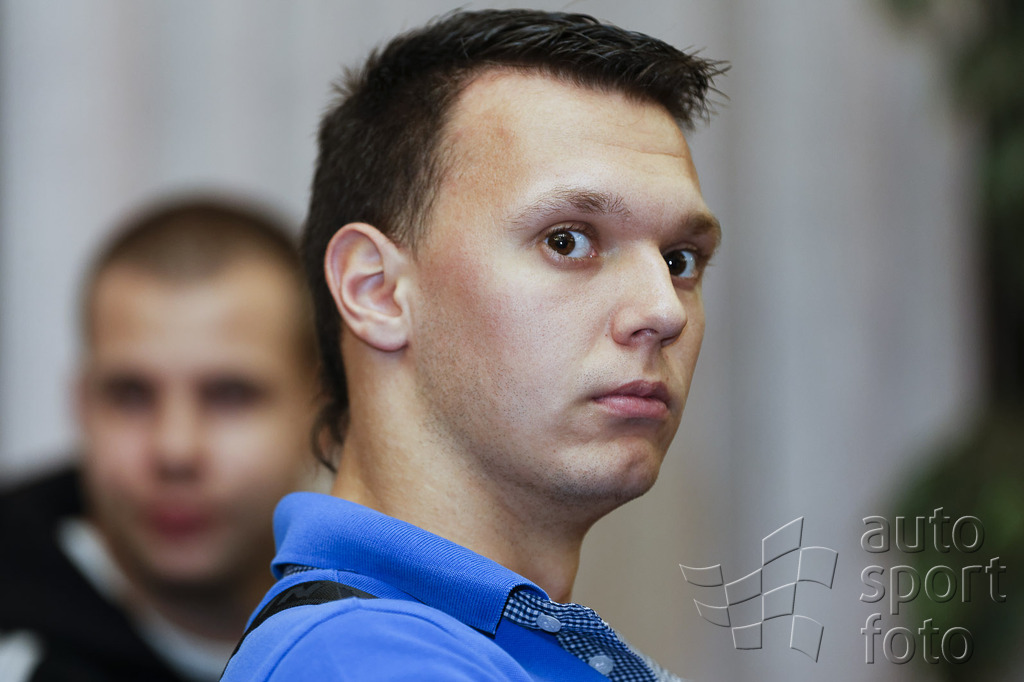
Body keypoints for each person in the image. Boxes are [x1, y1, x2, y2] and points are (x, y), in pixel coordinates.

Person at [223, 9, 724, 682]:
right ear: (376, 291)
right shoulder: (360, 663)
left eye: (680, 259)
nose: (663, 311)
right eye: (567, 241)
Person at [0, 198, 322, 681]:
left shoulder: (399, 629)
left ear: (322, 410)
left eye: (229, 395)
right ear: (82, 406)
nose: (175, 450)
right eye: (130, 395)